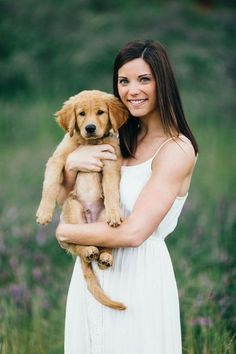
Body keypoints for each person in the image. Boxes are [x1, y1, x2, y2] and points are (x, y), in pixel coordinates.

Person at [56, 39, 198, 354]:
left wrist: (66, 233)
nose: (132, 90)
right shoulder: (113, 138)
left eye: (144, 79)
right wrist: (71, 165)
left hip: (140, 279)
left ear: (164, 83)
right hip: (92, 273)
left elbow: (134, 233)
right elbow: (68, 198)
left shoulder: (176, 149)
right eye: (124, 81)